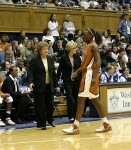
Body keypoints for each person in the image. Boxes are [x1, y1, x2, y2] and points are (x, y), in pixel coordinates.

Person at [62, 28, 112, 134]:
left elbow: (98, 61)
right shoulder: (87, 46)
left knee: (81, 99)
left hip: (90, 75)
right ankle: (106, 124)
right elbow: (86, 64)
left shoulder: (93, 46)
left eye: (84, 34)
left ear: (90, 35)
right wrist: (77, 71)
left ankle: (75, 126)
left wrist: (94, 77)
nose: (82, 36)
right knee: (94, 100)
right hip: (87, 73)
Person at [28, 41, 60, 130]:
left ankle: (50, 120)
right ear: (39, 50)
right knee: (40, 106)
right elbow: (30, 73)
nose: (46, 51)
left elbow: (53, 74)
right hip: (39, 86)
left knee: (50, 105)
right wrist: (30, 82)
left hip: (49, 85)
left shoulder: (50, 59)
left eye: (47, 49)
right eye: (44, 49)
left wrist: (56, 85)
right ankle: (42, 124)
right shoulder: (34, 60)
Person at [57, 40, 81, 122]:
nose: (76, 49)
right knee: (70, 98)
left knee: (75, 97)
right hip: (67, 80)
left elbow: (80, 69)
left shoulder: (77, 57)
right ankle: (70, 115)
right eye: (74, 47)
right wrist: (56, 82)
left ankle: (75, 116)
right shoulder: (63, 58)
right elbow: (59, 70)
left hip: (77, 80)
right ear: (70, 49)